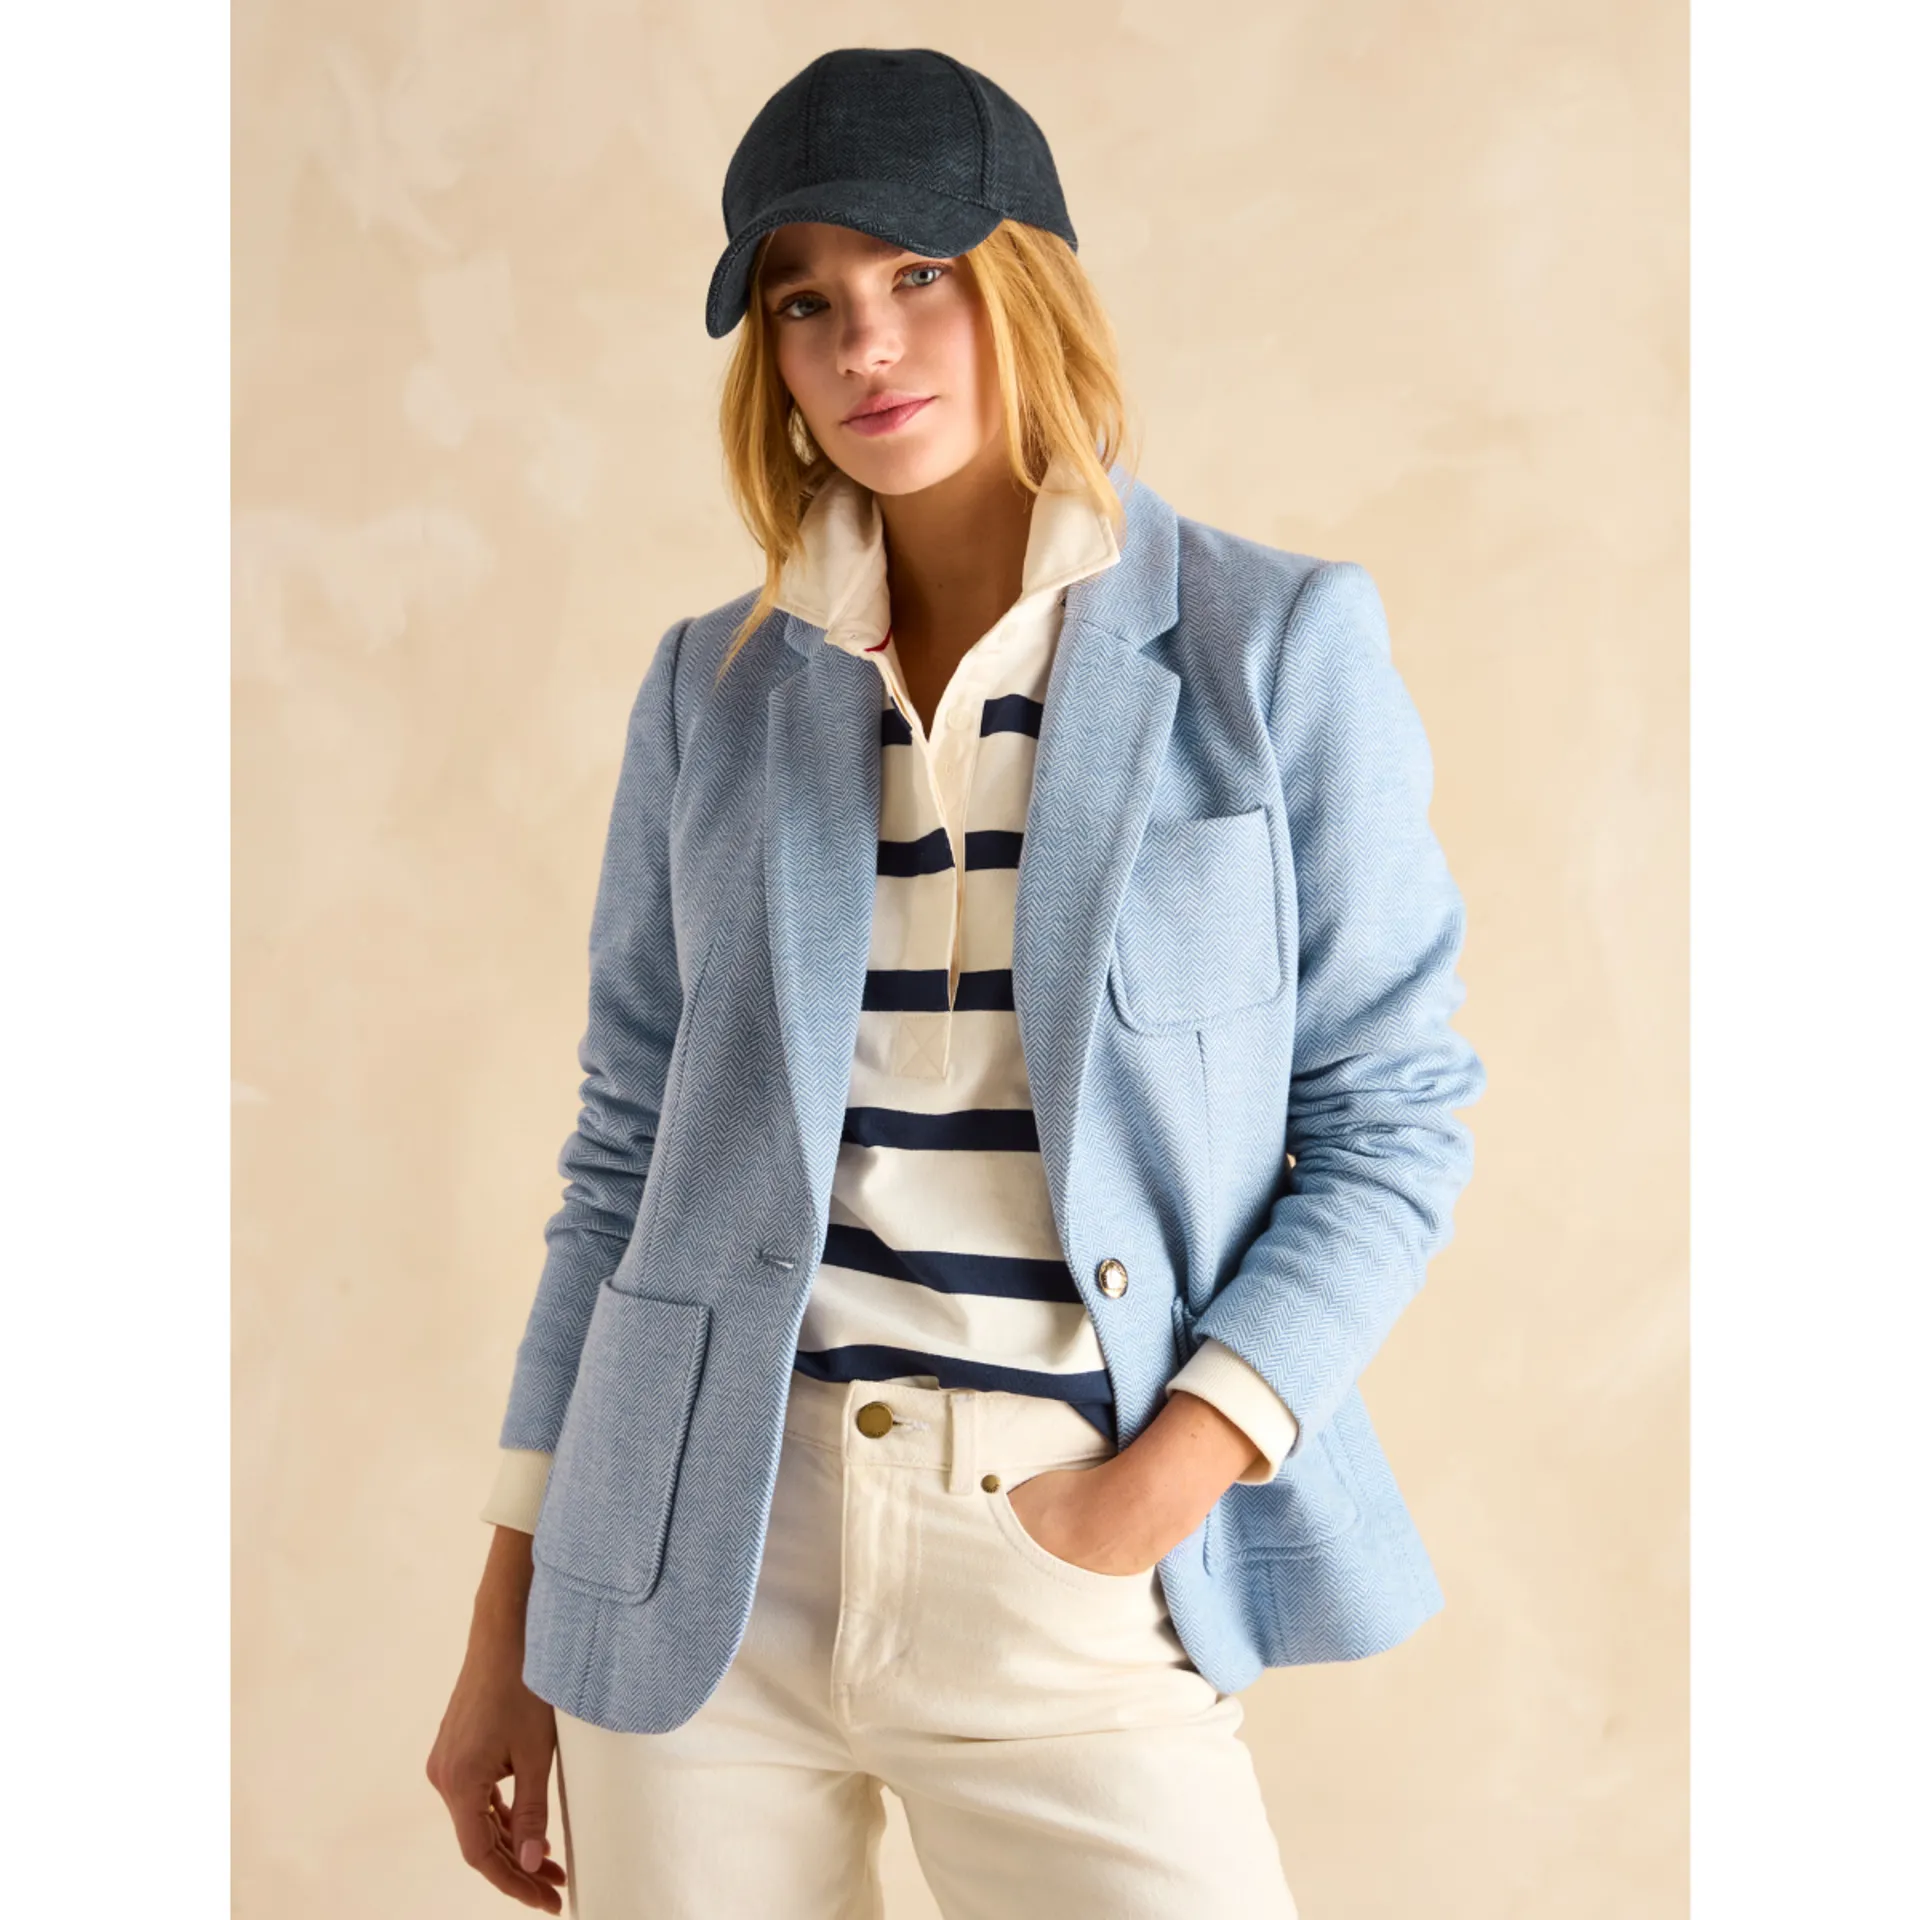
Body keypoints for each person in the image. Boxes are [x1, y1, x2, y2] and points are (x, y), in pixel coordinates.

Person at [426, 46, 1486, 1919]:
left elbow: (1394, 1120)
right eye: (804, 301)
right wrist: (508, 1612)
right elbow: (623, 1163)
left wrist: (1165, 1480)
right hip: (697, 1563)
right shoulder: (713, 689)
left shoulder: (1269, 647)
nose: (864, 344)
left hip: (1061, 1546)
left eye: (919, 273)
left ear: (1030, 281)